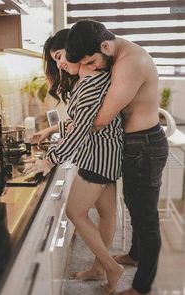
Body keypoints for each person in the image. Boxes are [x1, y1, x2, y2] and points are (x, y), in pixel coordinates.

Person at [65, 20, 169, 295]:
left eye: (92, 61)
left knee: (145, 218)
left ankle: (142, 287)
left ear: (106, 46)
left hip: (143, 145)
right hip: (136, 144)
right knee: (135, 206)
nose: (92, 68)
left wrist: (78, 125)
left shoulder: (131, 62)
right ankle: (135, 255)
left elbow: (101, 118)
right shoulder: (116, 56)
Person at [24, 28, 124, 294]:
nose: (59, 64)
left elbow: (80, 130)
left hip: (97, 157)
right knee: (105, 213)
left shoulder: (90, 83)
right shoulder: (95, 78)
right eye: (55, 60)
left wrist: (50, 159)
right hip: (107, 153)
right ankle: (99, 268)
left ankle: (111, 266)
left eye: (61, 56)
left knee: (75, 212)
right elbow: (82, 121)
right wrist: (50, 131)